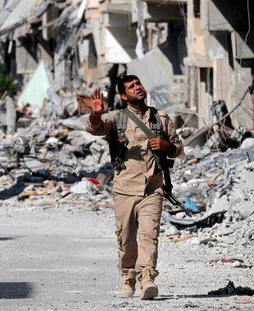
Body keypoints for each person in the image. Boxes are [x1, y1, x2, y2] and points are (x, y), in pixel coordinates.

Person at [86, 75, 183, 300]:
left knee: (149, 235)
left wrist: (167, 145)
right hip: (124, 190)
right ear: (123, 95)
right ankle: (128, 278)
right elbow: (95, 128)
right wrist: (96, 113)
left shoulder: (161, 119)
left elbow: (179, 148)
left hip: (153, 188)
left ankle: (148, 279)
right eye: (131, 86)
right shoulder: (116, 119)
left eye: (139, 83)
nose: (138, 87)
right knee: (127, 239)